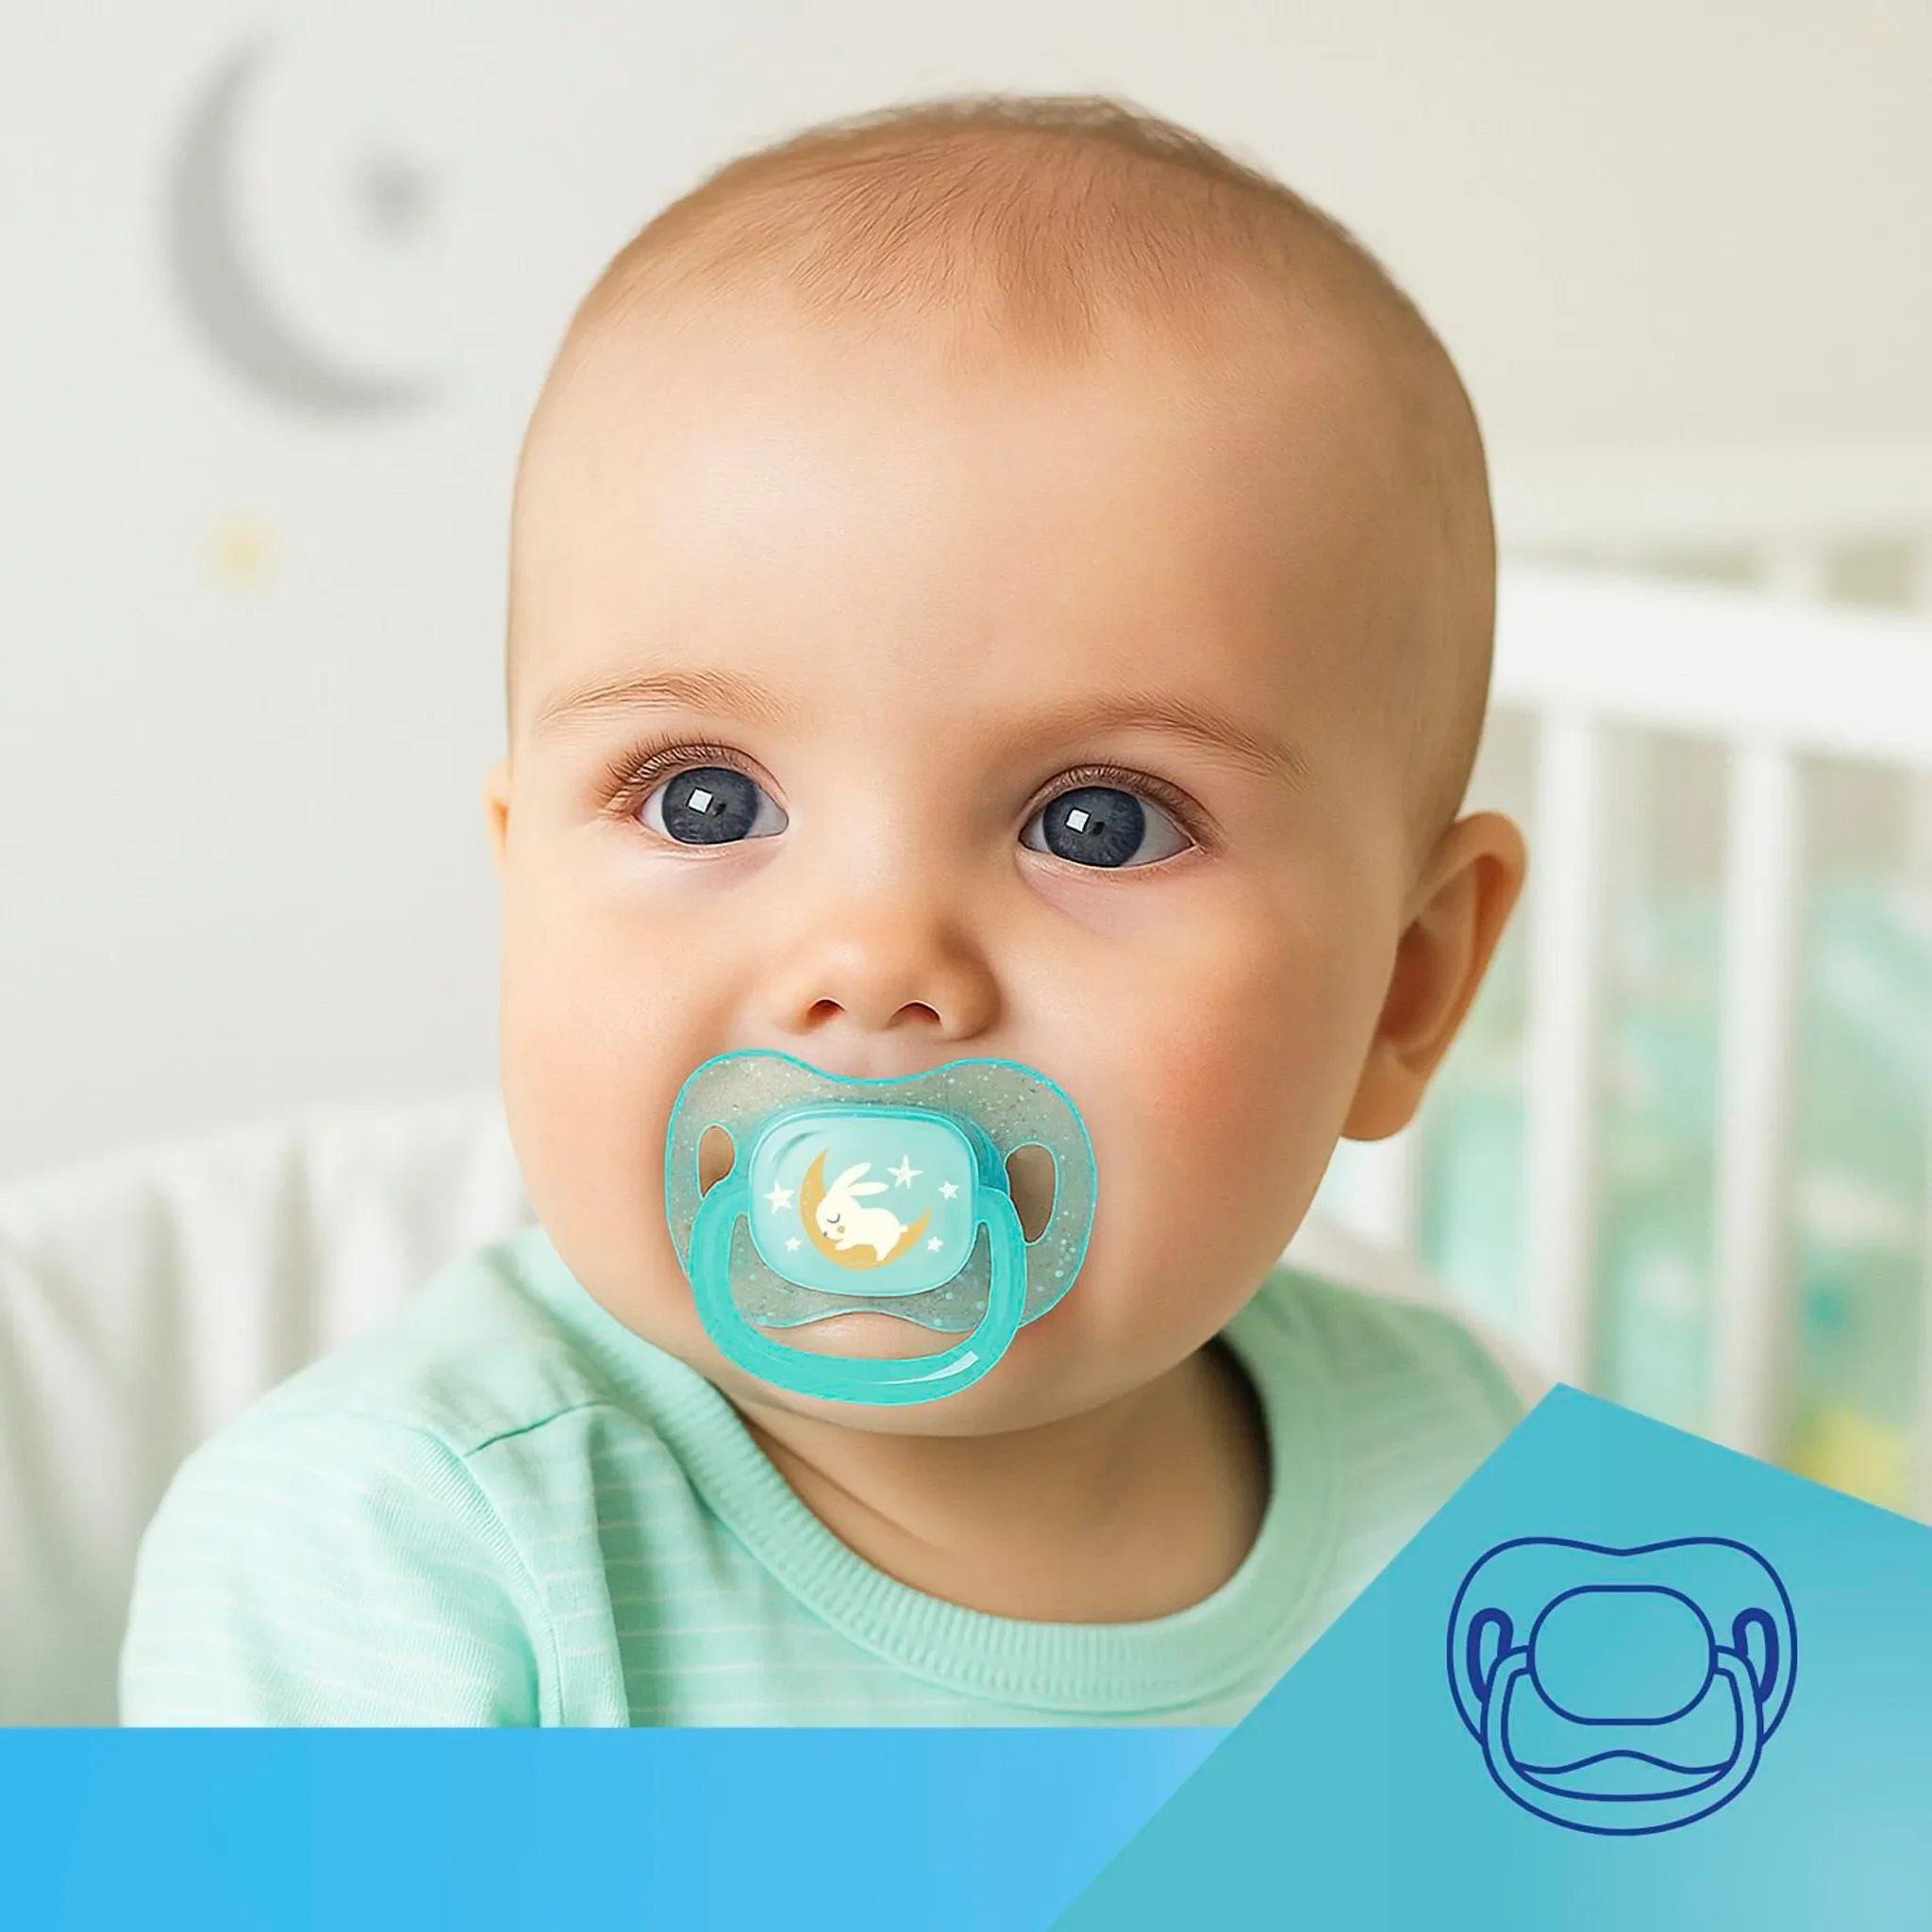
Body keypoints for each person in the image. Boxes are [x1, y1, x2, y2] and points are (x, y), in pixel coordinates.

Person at [121, 92, 1532, 1725]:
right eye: (703, 801)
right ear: (522, 892)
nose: (871, 960)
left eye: (1099, 823)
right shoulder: (390, 1551)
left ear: (1406, 986)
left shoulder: (1482, 1495)